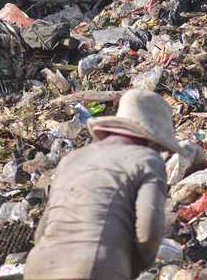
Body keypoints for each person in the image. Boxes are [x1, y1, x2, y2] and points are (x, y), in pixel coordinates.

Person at [24, 89, 183, 280]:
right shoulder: (147, 160)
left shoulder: (72, 159)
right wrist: (136, 266)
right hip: (92, 267)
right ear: (153, 140)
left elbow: (43, 230)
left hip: (38, 267)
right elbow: (148, 229)